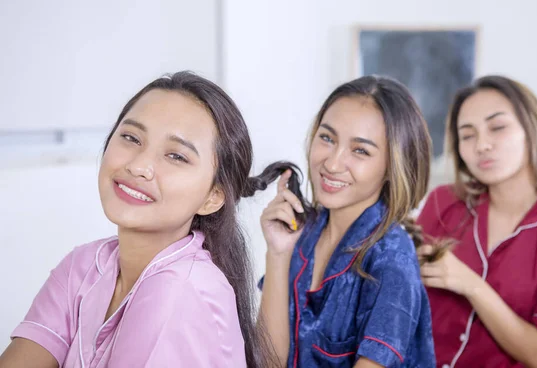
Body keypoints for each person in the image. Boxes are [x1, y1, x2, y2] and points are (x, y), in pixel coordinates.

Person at [0, 71, 297, 368]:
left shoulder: (181, 292)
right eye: (131, 137)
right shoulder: (83, 266)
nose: (139, 166)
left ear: (212, 198)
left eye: (176, 156)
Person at [417, 75, 537, 368]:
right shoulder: (443, 203)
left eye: (497, 127)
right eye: (467, 135)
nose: (482, 145)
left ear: (533, 131)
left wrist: (471, 285)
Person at [259, 76, 437, 368]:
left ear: (393, 166)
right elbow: (268, 361)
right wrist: (277, 253)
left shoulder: (391, 260)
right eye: (327, 138)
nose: (332, 163)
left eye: (360, 151)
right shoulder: (303, 232)